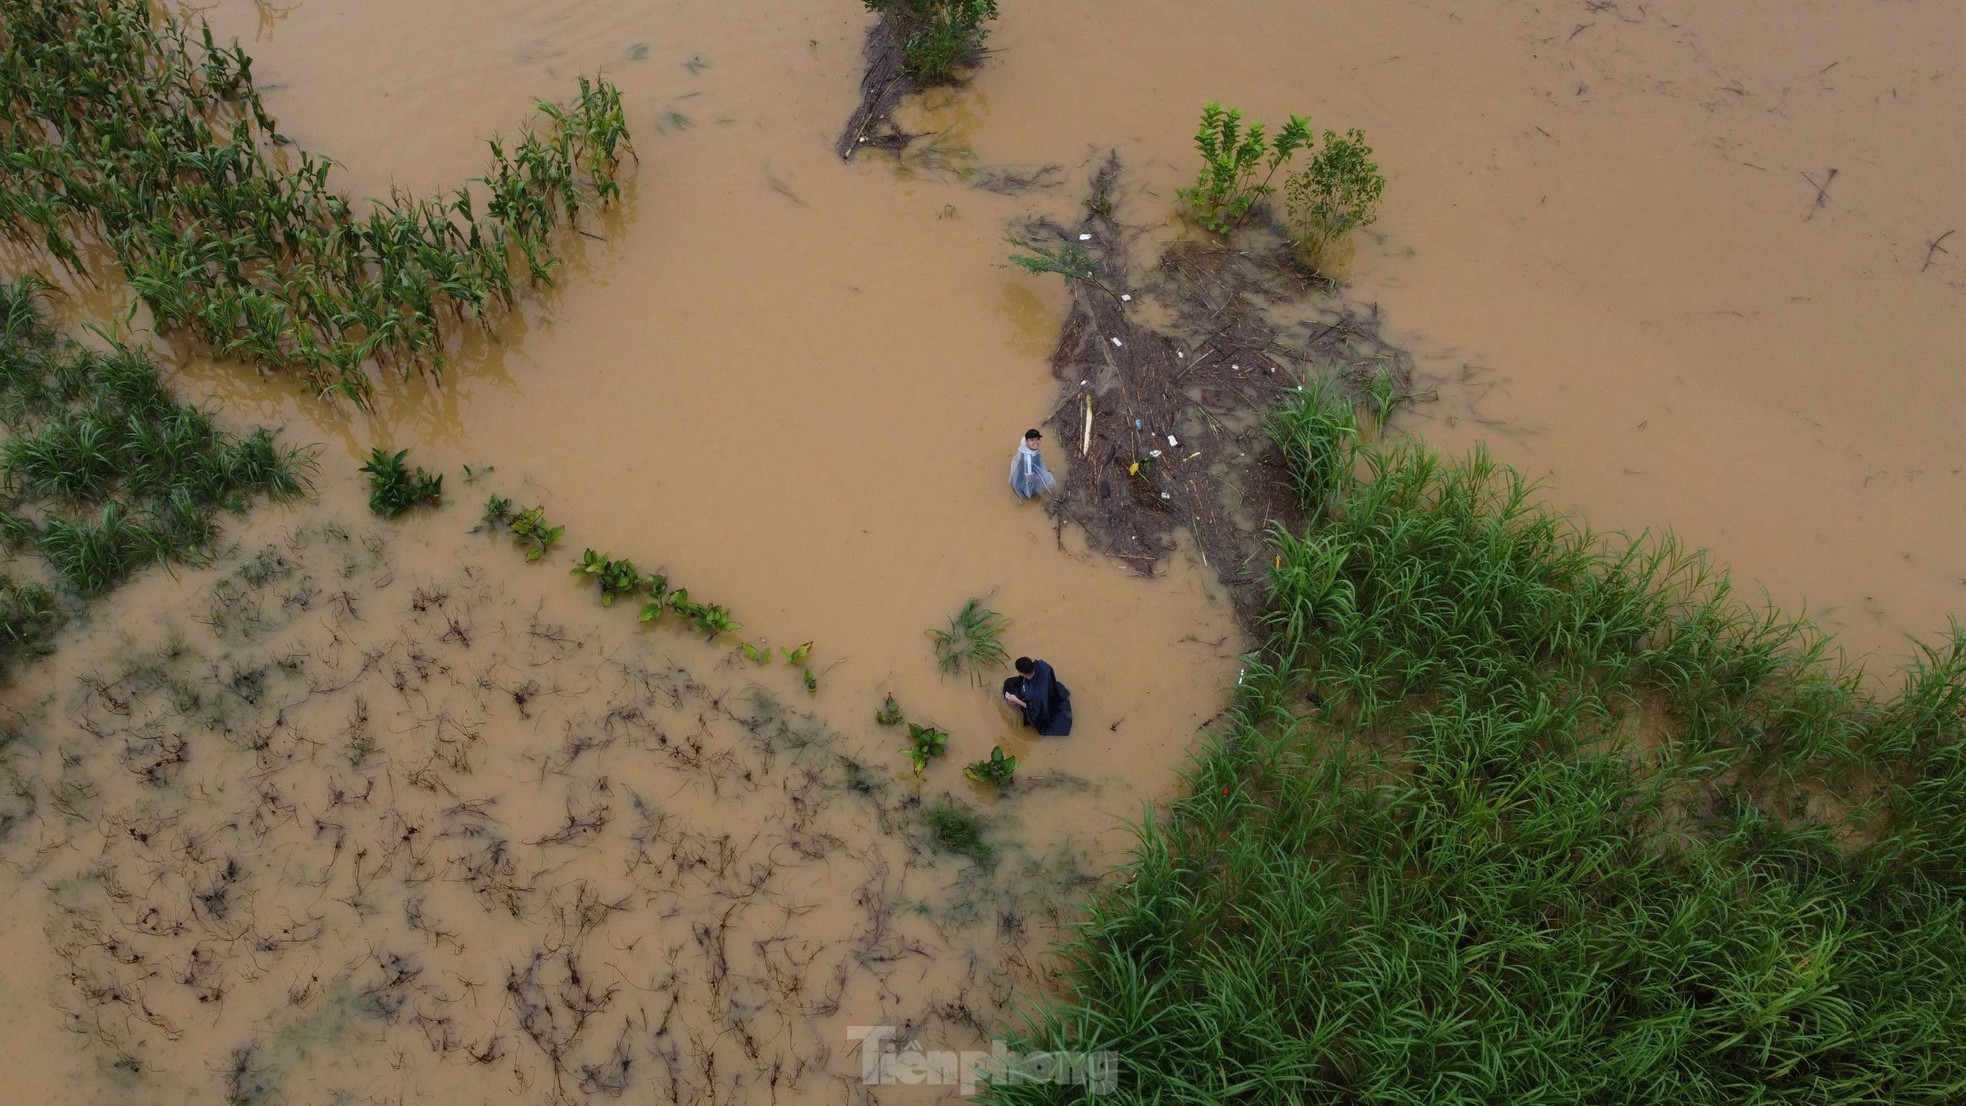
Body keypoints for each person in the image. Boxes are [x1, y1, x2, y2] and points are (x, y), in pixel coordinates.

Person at [1002, 656, 1073, 736]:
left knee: (1009, 689)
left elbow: (1033, 710)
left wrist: (1015, 700)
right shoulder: (1043, 665)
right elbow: (1043, 661)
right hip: (1044, 691)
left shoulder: (1031, 694)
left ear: (1021, 673)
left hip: (1036, 697)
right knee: (1010, 684)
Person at [1008, 428, 1056, 499]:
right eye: (1032, 440)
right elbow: (1029, 477)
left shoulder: (1029, 449)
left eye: (1037, 439)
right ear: (1027, 442)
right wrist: (1038, 479)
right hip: (1025, 480)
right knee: (1034, 493)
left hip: (1027, 470)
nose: (1036, 442)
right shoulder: (1028, 458)